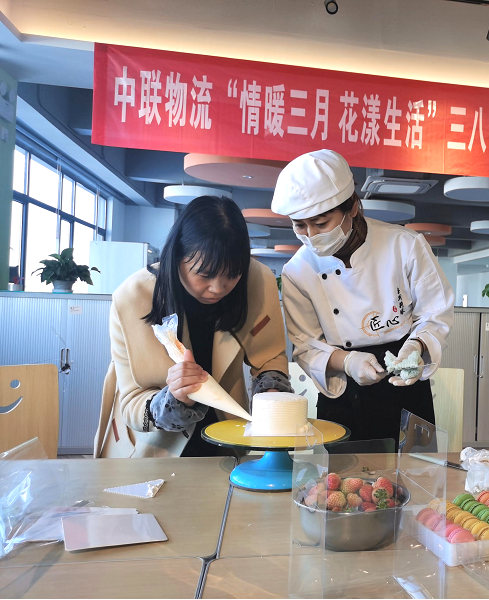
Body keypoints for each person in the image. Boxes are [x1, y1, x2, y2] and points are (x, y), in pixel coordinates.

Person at [273, 150, 454, 450]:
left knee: (419, 474)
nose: (311, 236)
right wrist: (348, 361)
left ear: (353, 207)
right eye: (300, 226)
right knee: (343, 478)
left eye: (321, 223)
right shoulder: (297, 271)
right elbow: (305, 346)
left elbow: (436, 313)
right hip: (344, 389)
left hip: (404, 381)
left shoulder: (404, 245)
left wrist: (416, 347)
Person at [94, 196, 291, 458]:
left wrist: (271, 393)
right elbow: (130, 404)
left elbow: (270, 357)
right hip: (157, 450)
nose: (218, 288)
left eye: (232, 274)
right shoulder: (132, 298)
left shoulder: (256, 279)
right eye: (205, 274)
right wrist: (173, 400)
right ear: (177, 256)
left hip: (227, 439)